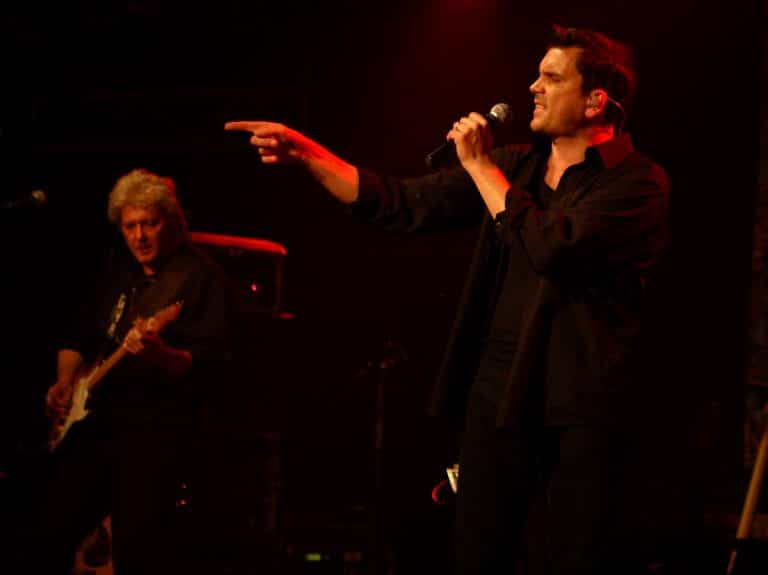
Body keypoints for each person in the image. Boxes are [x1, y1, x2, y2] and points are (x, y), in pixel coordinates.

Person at [226, 25, 669, 575]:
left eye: (552, 78)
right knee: (477, 555)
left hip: (575, 414)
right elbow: (402, 202)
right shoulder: (517, 168)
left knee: (565, 558)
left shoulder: (637, 183)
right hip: (496, 401)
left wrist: (480, 167)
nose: (533, 87)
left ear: (595, 101)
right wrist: (306, 154)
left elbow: (554, 247)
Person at [15, 168, 233, 574]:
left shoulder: (200, 278)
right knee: (44, 532)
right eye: (130, 226)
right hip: (97, 424)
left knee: (137, 550)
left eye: (150, 224)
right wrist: (65, 380)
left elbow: (209, 363)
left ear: (172, 222)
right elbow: (80, 330)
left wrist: (160, 354)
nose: (139, 236)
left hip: (154, 433)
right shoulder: (119, 269)